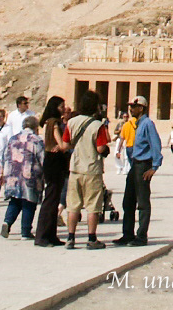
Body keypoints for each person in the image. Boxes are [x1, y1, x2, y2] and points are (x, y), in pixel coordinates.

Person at [115, 95, 162, 248]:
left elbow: (156, 144)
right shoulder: (137, 123)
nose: (130, 109)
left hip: (143, 165)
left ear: (141, 108)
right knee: (128, 201)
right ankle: (128, 234)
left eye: (133, 107)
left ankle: (141, 236)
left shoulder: (147, 124)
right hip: (135, 164)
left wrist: (154, 167)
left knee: (142, 202)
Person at [64, 89, 108, 250]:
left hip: (75, 168)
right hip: (92, 169)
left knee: (73, 205)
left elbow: (66, 144)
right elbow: (101, 148)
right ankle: (91, 238)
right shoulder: (97, 125)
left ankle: (70, 238)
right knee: (93, 206)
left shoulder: (71, 122)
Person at [0, 115, 44, 240]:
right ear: (35, 127)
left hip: (13, 174)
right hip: (29, 176)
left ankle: (7, 222)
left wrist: (2, 173)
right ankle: (25, 231)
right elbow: (42, 158)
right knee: (29, 202)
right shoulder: (36, 140)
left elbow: (4, 157)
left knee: (15, 200)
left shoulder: (13, 139)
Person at [34, 96, 68, 247]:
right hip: (55, 162)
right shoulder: (54, 123)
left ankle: (51, 235)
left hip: (51, 160)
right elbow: (62, 145)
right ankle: (42, 235)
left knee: (53, 199)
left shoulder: (48, 122)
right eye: (61, 107)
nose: (63, 109)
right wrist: (69, 143)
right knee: (51, 199)